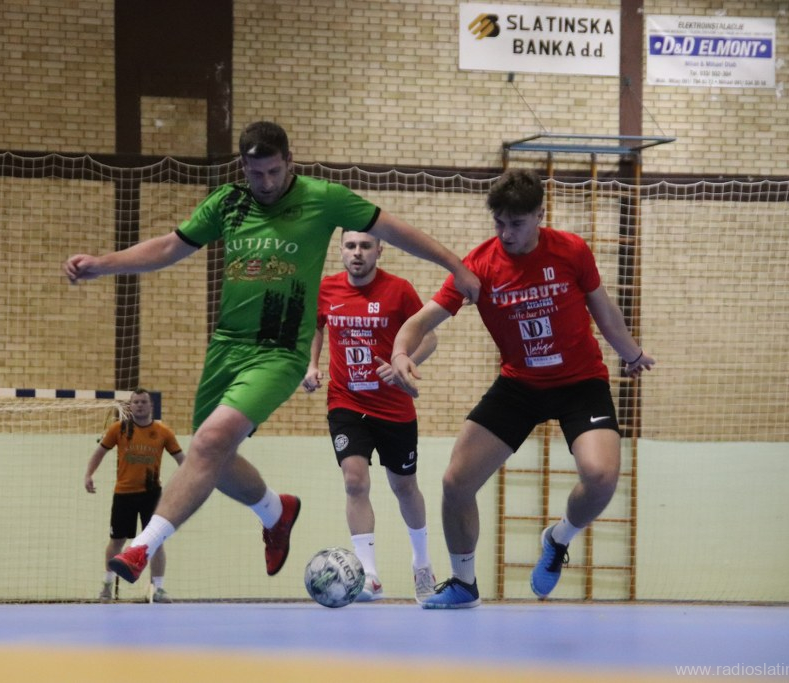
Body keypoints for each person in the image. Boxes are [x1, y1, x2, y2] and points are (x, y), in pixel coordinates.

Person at [63, 121, 480, 586]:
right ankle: (275, 511)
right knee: (213, 457)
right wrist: (103, 264)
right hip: (226, 347)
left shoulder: (324, 198)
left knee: (211, 441)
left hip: (280, 351)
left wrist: (455, 265)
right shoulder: (229, 203)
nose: (265, 183)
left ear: (289, 163)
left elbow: (396, 231)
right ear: (243, 167)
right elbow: (169, 247)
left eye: (274, 172)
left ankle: (143, 547)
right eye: (255, 173)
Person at [390, 169, 655, 609]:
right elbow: (420, 321)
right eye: (499, 223)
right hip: (520, 385)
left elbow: (604, 311)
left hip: (580, 382)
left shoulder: (571, 251)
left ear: (539, 215)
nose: (506, 234)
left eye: (516, 224)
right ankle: (463, 584)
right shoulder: (479, 266)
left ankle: (558, 538)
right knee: (456, 482)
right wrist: (401, 353)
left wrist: (631, 353)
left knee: (601, 477)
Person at [302, 230, 437, 603]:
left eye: (365, 246)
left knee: (404, 486)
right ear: (340, 251)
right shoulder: (327, 289)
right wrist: (311, 365)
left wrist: (404, 363)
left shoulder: (399, 290)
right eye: (350, 246)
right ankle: (368, 575)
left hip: (394, 406)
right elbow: (315, 326)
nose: (357, 252)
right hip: (346, 401)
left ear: (380, 250)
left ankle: (422, 562)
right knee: (354, 481)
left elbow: (429, 337)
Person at [85, 388, 184, 603]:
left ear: (151, 406)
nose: (139, 405)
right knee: (116, 541)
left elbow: (182, 461)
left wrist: (188, 484)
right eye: (136, 402)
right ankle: (107, 585)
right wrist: (89, 474)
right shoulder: (118, 429)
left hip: (152, 495)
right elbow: (100, 452)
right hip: (124, 494)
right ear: (130, 406)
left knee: (156, 542)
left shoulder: (163, 432)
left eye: (143, 402)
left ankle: (158, 589)